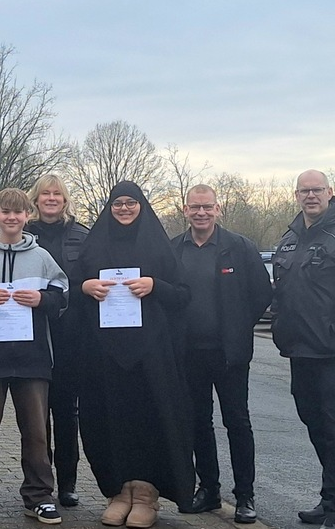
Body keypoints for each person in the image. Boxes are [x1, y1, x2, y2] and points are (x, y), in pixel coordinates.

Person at [76, 181, 193, 529]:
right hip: (105, 354)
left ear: (142, 206)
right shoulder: (94, 247)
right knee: (111, 421)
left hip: (151, 355)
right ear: (109, 208)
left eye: (131, 203)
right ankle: (119, 492)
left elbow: (184, 295)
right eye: (117, 204)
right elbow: (72, 287)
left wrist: (155, 286)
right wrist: (85, 287)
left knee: (149, 420)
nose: (124, 209)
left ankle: (145, 494)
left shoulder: (160, 247)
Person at [0, 188, 68, 527]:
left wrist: (40, 299)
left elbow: (62, 297)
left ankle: (39, 496)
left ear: (27, 216)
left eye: (18, 213)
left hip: (32, 356)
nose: (12, 218)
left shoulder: (43, 256)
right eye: (6, 212)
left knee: (36, 430)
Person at [270, 171, 335, 529]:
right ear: (296, 194)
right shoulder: (289, 239)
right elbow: (281, 293)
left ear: (330, 192)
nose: (310, 195)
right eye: (304, 190)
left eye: (317, 190)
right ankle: (330, 499)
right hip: (302, 352)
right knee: (315, 424)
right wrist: (281, 331)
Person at [171, 184, 271, 524]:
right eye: (195, 207)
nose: (201, 213)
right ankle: (209, 490)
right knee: (198, 423)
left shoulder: (240, 248)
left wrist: (238, 328)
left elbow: (261, 294)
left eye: (207, 207)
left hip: (230, 355)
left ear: (218, 209)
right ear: (185, 210)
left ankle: (245, 496)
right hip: (188, 354)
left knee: (237, 423)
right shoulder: (174, 250)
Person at [24, 174, 89, 509]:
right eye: (45, 193)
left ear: (65, 200)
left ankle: (68, 483)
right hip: (30, 333)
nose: (51, 198)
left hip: (69, 336)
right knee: (35, 415)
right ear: (35, 199)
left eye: (57, 194)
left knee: (66, 412)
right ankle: (39, 483)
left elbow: (91, 282)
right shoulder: (21, 236)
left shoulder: (82, 236)